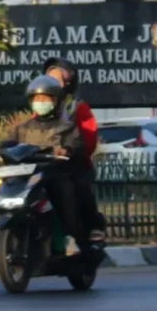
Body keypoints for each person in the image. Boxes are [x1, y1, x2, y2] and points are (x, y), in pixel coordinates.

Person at [0, 75, 88, 256]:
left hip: (54, 174)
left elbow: (76, 144)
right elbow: (7, 144)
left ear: (56, 101)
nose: (40, 102)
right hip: (28, 176)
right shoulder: (22, 128)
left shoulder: (66, 127)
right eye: (37, 99)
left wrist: (66, 150)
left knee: (63, 189)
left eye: (45, 99)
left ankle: (69, 238)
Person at [43, 57, 104, 242]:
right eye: (49, 78)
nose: (52, 83)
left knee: (77, 189)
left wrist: (70, 151)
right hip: (46, 164)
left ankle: (91, 228)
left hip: (74, 164)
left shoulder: (78, 107)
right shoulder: (41, 106)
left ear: (68, 83)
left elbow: (88, 139)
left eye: (57, 79)